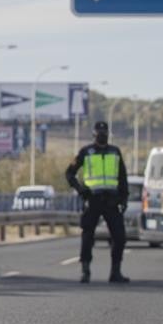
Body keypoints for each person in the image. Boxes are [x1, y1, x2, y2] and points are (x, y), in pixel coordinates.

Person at [65, 121, 129, 284]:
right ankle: (85, 271)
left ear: (108, 134)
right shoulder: (86, 152)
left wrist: (124, 198)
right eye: (99, 133)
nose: (102, 135)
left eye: (104, 133)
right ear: (94, 134)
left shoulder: (115, 152)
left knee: (120, 237)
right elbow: (69, 174)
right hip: (92, 200)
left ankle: (115, 272)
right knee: (87, 236)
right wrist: (81, 190)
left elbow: (122, 178)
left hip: (111, 201)